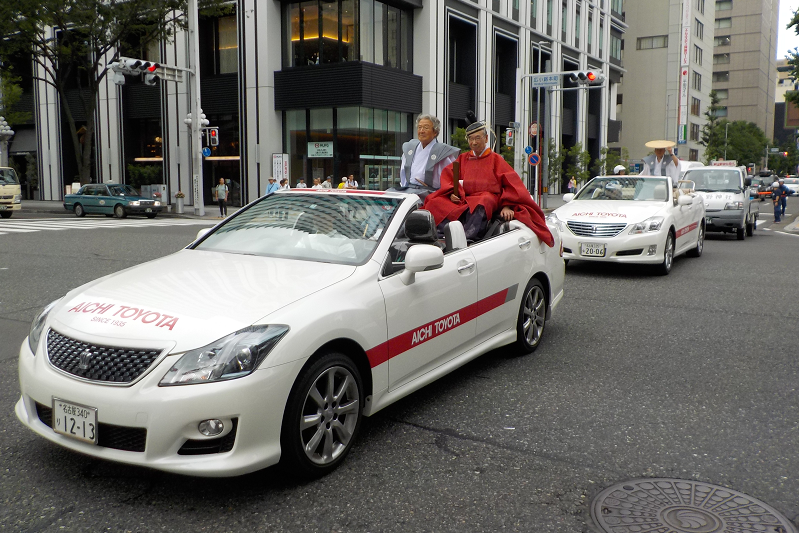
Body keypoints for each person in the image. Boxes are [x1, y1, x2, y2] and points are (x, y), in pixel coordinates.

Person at [423, 118, 554, 246]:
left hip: (488, 198)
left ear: (486, 139)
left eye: (478, 138)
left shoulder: (496, 160)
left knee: (482, 201)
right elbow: (449, 177)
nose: (474, 142)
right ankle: (440, 234)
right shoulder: (463, 158)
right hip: (464, 198)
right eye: (471, 139)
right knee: (435, 201)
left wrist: (507, 206)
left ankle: (468, 237)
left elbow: (512, 185)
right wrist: (453, 193)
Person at [392, 114, 460, 200]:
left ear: (435, 132)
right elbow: (403, 174)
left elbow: (450, 177)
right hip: (409, 190)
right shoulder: (410, 147)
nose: (421, 131)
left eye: (426, 128)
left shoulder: (442, 152)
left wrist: (449, 193)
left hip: (431, 193)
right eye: (419, 127)